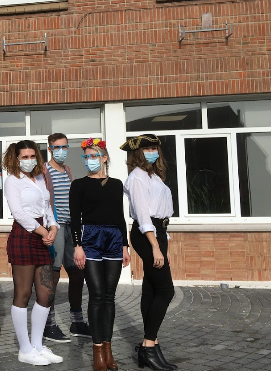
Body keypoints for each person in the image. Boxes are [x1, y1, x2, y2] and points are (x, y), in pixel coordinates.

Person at [70, 138, 130, 371]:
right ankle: (97, 350)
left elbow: (120, 215)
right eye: (86, 156)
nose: (90, 160)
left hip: (114, 238)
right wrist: (77, 246)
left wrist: (125, 245)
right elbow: (75, 218)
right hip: (91, 239)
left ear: (104, 157)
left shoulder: (116, 184)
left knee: (109, 296)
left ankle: (108, 348)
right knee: (96, 295)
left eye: (94, 155)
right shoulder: (79, 185)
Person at [3, 140, 63, 366]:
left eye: (32, 156)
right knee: (23, 293)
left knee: (46, 293)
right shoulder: (12, 181)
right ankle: (25, 349)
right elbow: (18, 212)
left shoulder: (39, 178)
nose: (29, 160)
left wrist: (53, 227)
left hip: (43, 235)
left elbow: (47, 207)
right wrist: (43, 232)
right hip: (25, 235)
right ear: (16, 158)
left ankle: (37, 345)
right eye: (24, 157)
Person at [121, 134, 177, 371]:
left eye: (155, 148)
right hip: (147, 234)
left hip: (158, 232)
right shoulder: (137, 178)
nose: (153, 152)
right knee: (166, 290)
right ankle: (148, 345)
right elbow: (143, 215)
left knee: (152, 288)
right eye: (148, 149)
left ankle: (151, 343)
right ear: (138, 153)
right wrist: (155, 246)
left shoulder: (152, 175)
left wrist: (163, 240)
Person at [42, 133, 91, 342]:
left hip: (72, 226)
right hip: (56, 226)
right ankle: (49, 324)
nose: (61, 150)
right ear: (50, 148)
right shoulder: (44, 170)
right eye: (57, 147)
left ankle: (77, 321)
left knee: (77, 271)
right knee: (53, 274)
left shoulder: (67, 170)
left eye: (64, 147)